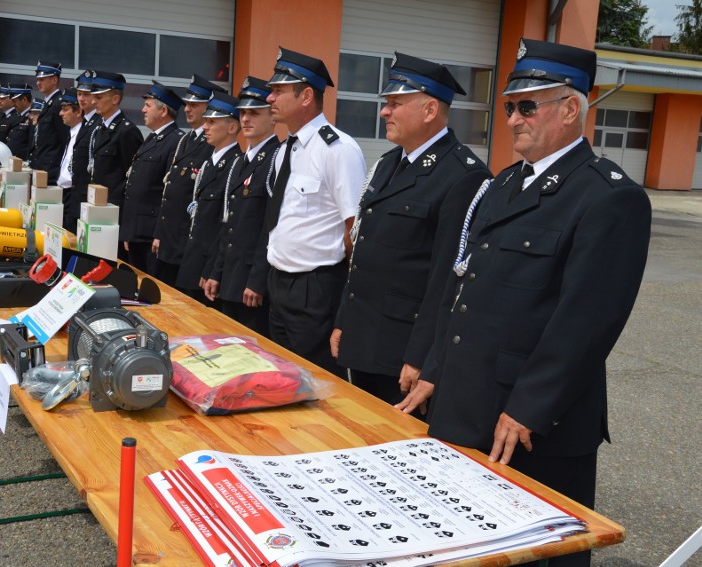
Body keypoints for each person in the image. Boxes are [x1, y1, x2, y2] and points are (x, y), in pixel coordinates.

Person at [399, 38, 651, 567]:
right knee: (467, 544)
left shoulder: (608, 197)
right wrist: (436, 370)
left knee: (539, 553)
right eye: (509, 106)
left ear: (570, 109)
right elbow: (463, 289)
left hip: (532, 425)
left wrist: (528, 409)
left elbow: (586, 324)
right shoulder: (505, 183)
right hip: (468, 405)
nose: (513, 118)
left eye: (527, 106)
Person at [329, 53, 491, 406]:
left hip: (402, 353)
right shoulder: (389, 162)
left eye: (395, 103)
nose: (384, 112)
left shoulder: (463, 175)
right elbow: (363, 254)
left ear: (430, 110)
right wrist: (344, 319)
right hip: (363, 337)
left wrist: (421, 356)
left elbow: (447, 280)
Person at [264, 47, 366, 377]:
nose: (270, 98)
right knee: (282, 377)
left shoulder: (338, 149)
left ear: (306, 95)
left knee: (314, 382)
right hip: (278, 282)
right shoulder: (285, 150)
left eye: (278, 91)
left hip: (315, 288)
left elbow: (354, 229)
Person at [202, 76, 280, 337]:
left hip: (251, 284)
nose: (245, 119)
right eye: (243, 112)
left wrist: (257, 281)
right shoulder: (240, 163)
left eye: (254, 113)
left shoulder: (275, 159)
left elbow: (270, 227)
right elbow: (230, 225)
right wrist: (216, 272)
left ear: (272, 117)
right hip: (231, 278)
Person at [152, 75, 226, 285]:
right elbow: (168, 191)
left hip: (186, 241)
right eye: (187, 104)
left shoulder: (212, 144)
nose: (187, 109)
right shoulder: (185, 139)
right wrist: (160, 233)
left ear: (209, 107)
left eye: (194, 104)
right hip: (169, 237)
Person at [176, 91, 244, 303]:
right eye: (205, 121)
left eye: (212, 122)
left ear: (232, 128)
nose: (205, 127)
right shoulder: (208, 164)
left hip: (208, 269)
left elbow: (224, 225)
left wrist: (213, 270)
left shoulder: (235, 166)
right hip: (192, 261)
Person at [120, 81, 184, 273]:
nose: (143, 110)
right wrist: (128, 231)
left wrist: (159, 233)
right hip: (136, 231)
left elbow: (168, 194)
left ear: (163, 111)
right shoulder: (152, 138)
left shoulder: (175, 141)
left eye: (148, 106)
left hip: (150, 235)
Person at [88, 70, 144, 210]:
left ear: (115, 99)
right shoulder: (100, 128)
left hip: (114, 207)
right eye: (93, 97)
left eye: (99, 97)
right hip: (97, 202)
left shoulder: (126, 131)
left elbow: (132, 176)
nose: (93, 101)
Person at [64, 70, 101, 233]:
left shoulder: (98, 123)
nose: (81, 99)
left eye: (86, 94)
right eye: (79, 94)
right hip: (75, 196)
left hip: (87, 199)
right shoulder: (86, 122)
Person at [29, 61, 69, 183]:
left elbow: (64, 139)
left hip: (51, 170)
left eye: (42, 79)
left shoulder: (58, 104)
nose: (38, 83)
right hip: (41, 167)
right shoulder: (48, 103)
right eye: (37, 79)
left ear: (54, 80)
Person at [56, 88, 83, 230]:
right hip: (64, 192)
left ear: (78, 111)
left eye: (66, 109)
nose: (61, 113)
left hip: (73, 193)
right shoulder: (71, 132)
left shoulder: (83, 133)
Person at [5, 84, 33, 160]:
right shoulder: (16, 117)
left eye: (14, 101)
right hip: (12, 162)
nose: (13, 104)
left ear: (24, 100)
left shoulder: (33, 117)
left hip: (22, 164)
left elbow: (31, 143)